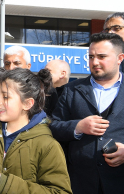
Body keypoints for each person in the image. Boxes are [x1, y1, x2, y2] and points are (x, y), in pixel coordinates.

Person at [50, 33, 124, 194]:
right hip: (81, 183)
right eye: (91, 57)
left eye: (102, 56)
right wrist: (77, 127)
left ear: (120, 58)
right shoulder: (71, 89)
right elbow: (54, 127)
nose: (94, 62)